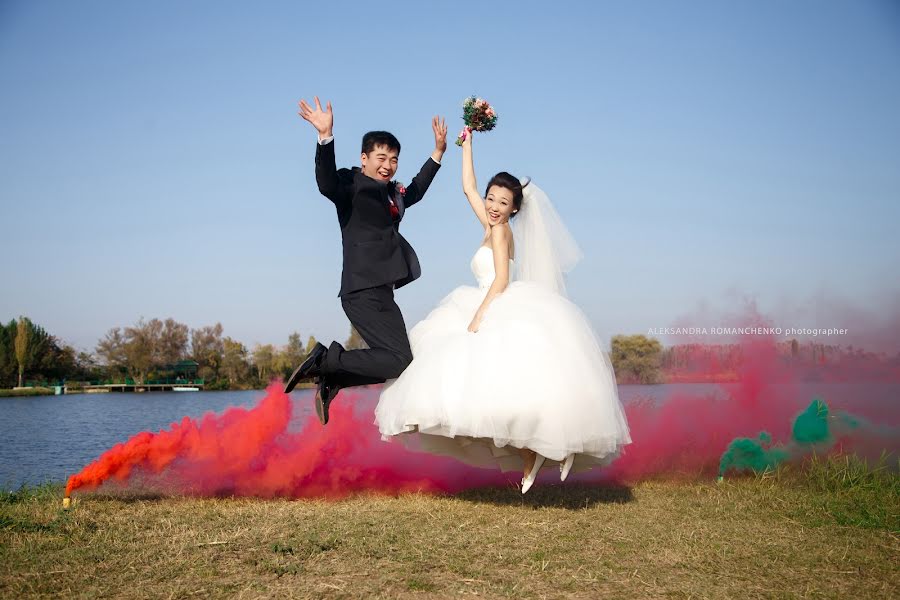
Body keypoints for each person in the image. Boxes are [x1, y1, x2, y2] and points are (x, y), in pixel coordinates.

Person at [374, 126, 632, 493]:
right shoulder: (490, 224)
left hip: (494, 301)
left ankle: (544, 451)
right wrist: (466, 145)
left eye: (501, 203)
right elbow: (467, 187)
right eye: (491, 199)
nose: (493, 206)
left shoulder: (499, 232)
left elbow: (501, 280)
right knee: (491, 399)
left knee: (497, 397)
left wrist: (479, 316)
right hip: (485, 300)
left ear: (514, 209)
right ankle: (537, 454)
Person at [284, 96, 448, 426]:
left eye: (394, 160)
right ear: (364, 158)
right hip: (361, 289)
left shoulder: (393, 193)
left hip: (382, 291)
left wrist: (438, 153)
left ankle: (333, 376)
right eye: (381, 158)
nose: (388, 165)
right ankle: (326, 363)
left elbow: (414, 190)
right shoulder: (351, 185)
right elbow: (326, 181)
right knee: (400, 361)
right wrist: (325, 137)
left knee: (399, 361)